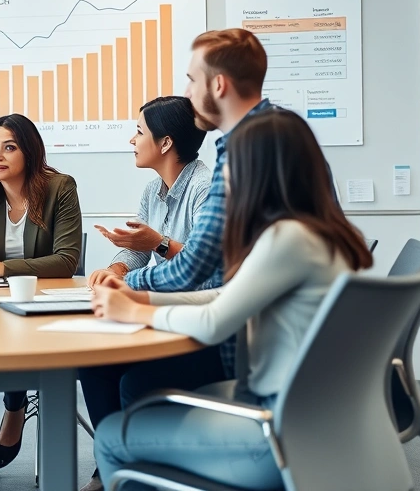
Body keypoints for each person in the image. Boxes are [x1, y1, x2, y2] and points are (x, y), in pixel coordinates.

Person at [91, 108, 373, 489]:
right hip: (317, 425)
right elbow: (226, 296)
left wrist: (133, 307)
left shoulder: (287, 240)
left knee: (111, 436)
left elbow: (215, 321)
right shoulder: (325, 237)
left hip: (275, 436)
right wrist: (145, 302)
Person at [77, 96, 212, 491]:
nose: (131, 139)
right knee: (93, 363)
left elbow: (202, 268)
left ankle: (139, 469)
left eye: (139, 131)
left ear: (165, 143)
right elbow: (138, 250)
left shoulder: (206, 188)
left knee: (126, 376)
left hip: (194, 324)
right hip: (166, 310)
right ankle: (112, 464)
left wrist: (157, 242)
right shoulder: (155, 189)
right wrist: (116, 268)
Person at [0, 113, 82, 482]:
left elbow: (66, 260)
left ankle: (15, 404)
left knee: (15, 330)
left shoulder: (60, 188)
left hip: (43, 304)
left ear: (30, 151)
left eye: (9, 147)